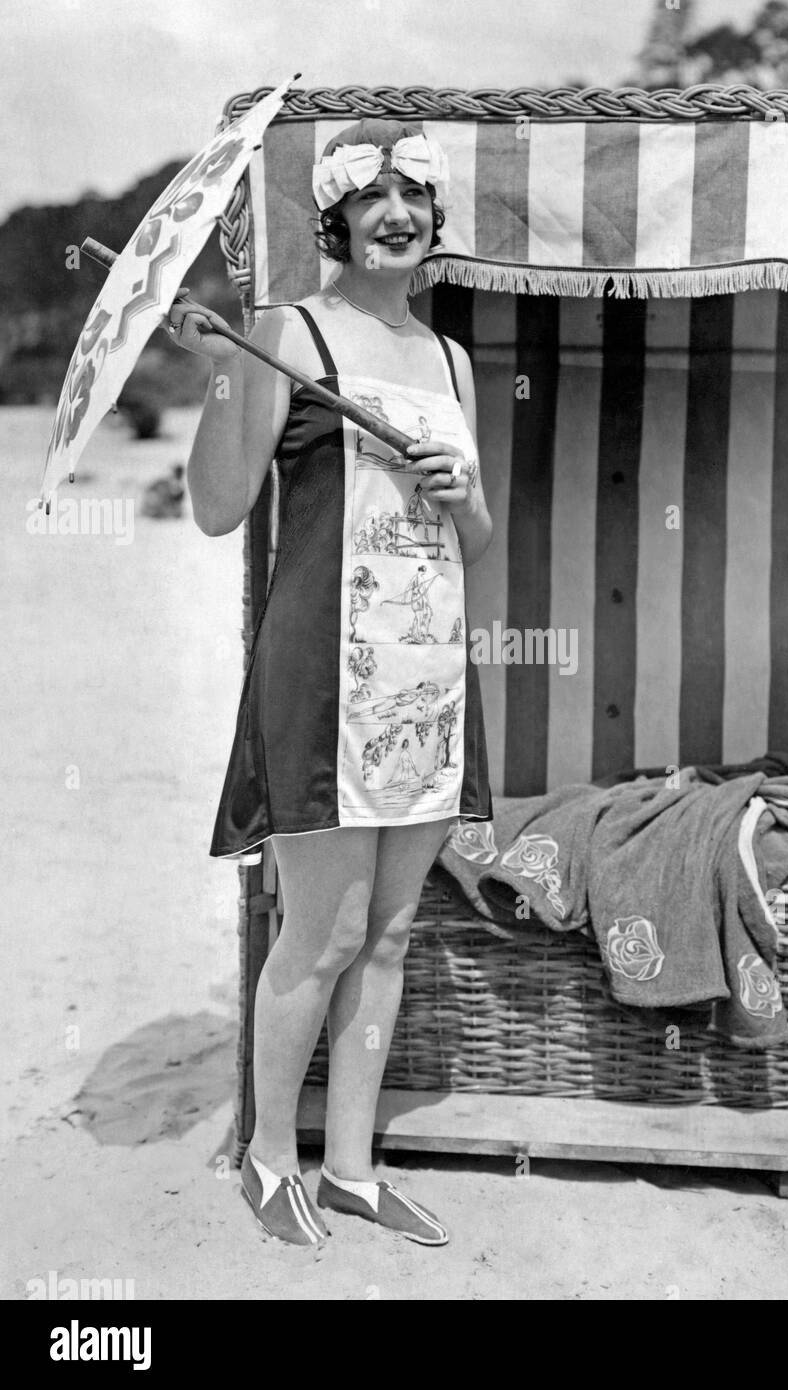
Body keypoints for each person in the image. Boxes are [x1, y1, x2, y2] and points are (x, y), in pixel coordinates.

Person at [169, 119, 493, 1247]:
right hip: (323, 668)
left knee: (394, 929)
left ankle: (352, 1165)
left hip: (429, 671)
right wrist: (219, 376)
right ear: (337, 216)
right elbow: (216, 508)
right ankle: (269, 1157)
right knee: (322, 928)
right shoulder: (285, 333)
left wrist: (460, 490)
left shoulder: (452, 360)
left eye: (415, 192)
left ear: (433, 214)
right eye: (373, 196)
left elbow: (480, 537)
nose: (396, 212)